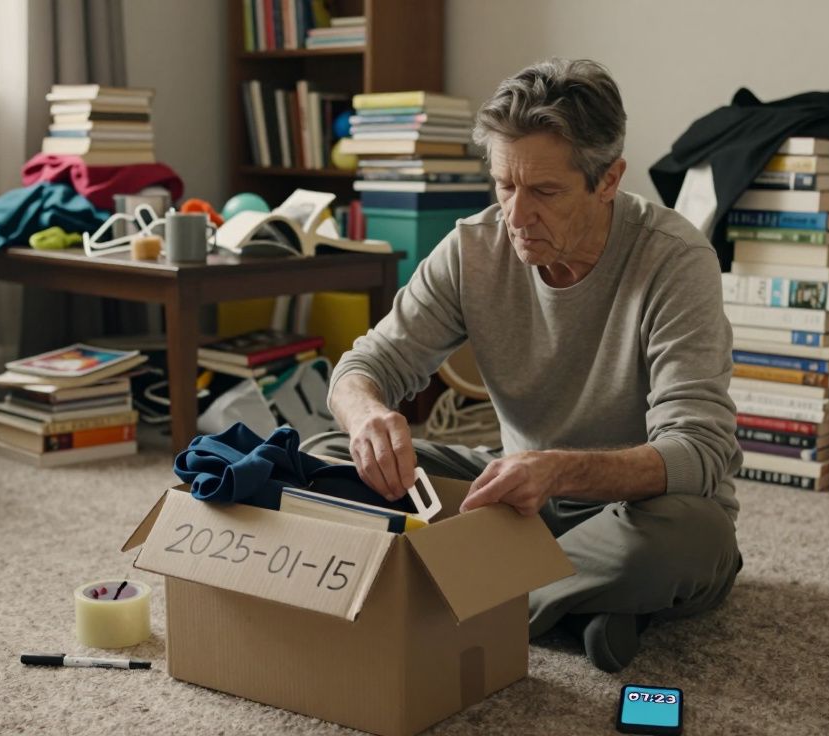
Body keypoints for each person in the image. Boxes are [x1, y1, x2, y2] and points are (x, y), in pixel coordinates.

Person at [301, 58, 743, 672]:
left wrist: (557, 471)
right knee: (322, 458)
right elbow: (365, 364)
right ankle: (579, 607)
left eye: (545, 192)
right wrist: (369, 416)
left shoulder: (676, 261)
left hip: (637, 512)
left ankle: (442, 595)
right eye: (504, 185)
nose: (515, 214)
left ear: (609, 180)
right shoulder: (475, 247)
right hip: (513, 498)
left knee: (691, 540)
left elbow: (700, 452)